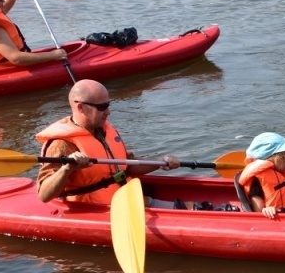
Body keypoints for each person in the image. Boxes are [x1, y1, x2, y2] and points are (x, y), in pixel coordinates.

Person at [35, 80, 179, 208]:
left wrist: (161, 162)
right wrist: (67, 169)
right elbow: (44, 195)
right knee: (183, 208)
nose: (108, 112)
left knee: (192, 207)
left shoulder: (104, 130)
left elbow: (127, 166)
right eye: (102, 107)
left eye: (108, 105)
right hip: (99, 209)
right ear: (81, 108)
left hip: (127, 198)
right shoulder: (60, 144)